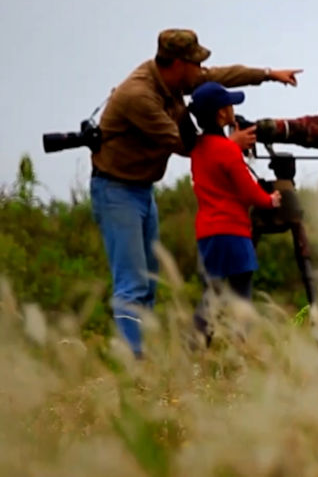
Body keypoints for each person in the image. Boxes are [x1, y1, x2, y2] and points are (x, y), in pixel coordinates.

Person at [90, 28, 301, 358]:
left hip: (142, 188)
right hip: (116, 190)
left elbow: (220, 76)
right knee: (132, 284)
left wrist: (268, 75)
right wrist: (228, 148)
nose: (201, 70)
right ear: (177, 64)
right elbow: (184, 144)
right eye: (195, 64)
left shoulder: (174, 79)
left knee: (148, 280)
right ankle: (134, 365)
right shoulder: (139, 97)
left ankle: (141, 359)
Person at [187, 82, 281, 347]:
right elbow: (249, 192)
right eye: (229, 105)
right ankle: (244, 350)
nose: (233, 109)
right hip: (233, 232)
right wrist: (270, 200)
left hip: (207, 233)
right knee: (242, 296)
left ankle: (195, 347)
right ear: (220, 114)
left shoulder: (198, 147)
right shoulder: (228, 150)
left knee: (211, 295)